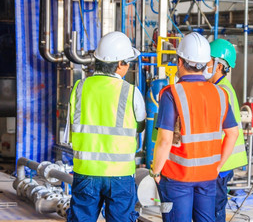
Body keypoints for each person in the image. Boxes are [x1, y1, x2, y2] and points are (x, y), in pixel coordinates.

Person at [151, 32, 239, 222]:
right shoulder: (220, 94)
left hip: (177, 178)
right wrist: (218, 166)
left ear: (180, 62)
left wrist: (156, 171)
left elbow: (165, 140)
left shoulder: (171, 94)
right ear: (206, 64)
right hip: (208, 176)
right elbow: (233, 133)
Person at [67, 31, 145, 222]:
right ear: (120, 64)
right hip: (120, 175)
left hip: (86, 171)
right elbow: (140, 126)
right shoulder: (131, 92)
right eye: (128, 62)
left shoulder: (79, 88)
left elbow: (72, 126)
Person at [203, 38, 248, 222]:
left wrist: (217, 165)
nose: (204, 66)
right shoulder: (217, 88)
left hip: (221, 164)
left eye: (208, 62)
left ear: (219, 66)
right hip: (222, 162)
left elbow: (222, 132)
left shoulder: (222, 91)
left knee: (214, 211)